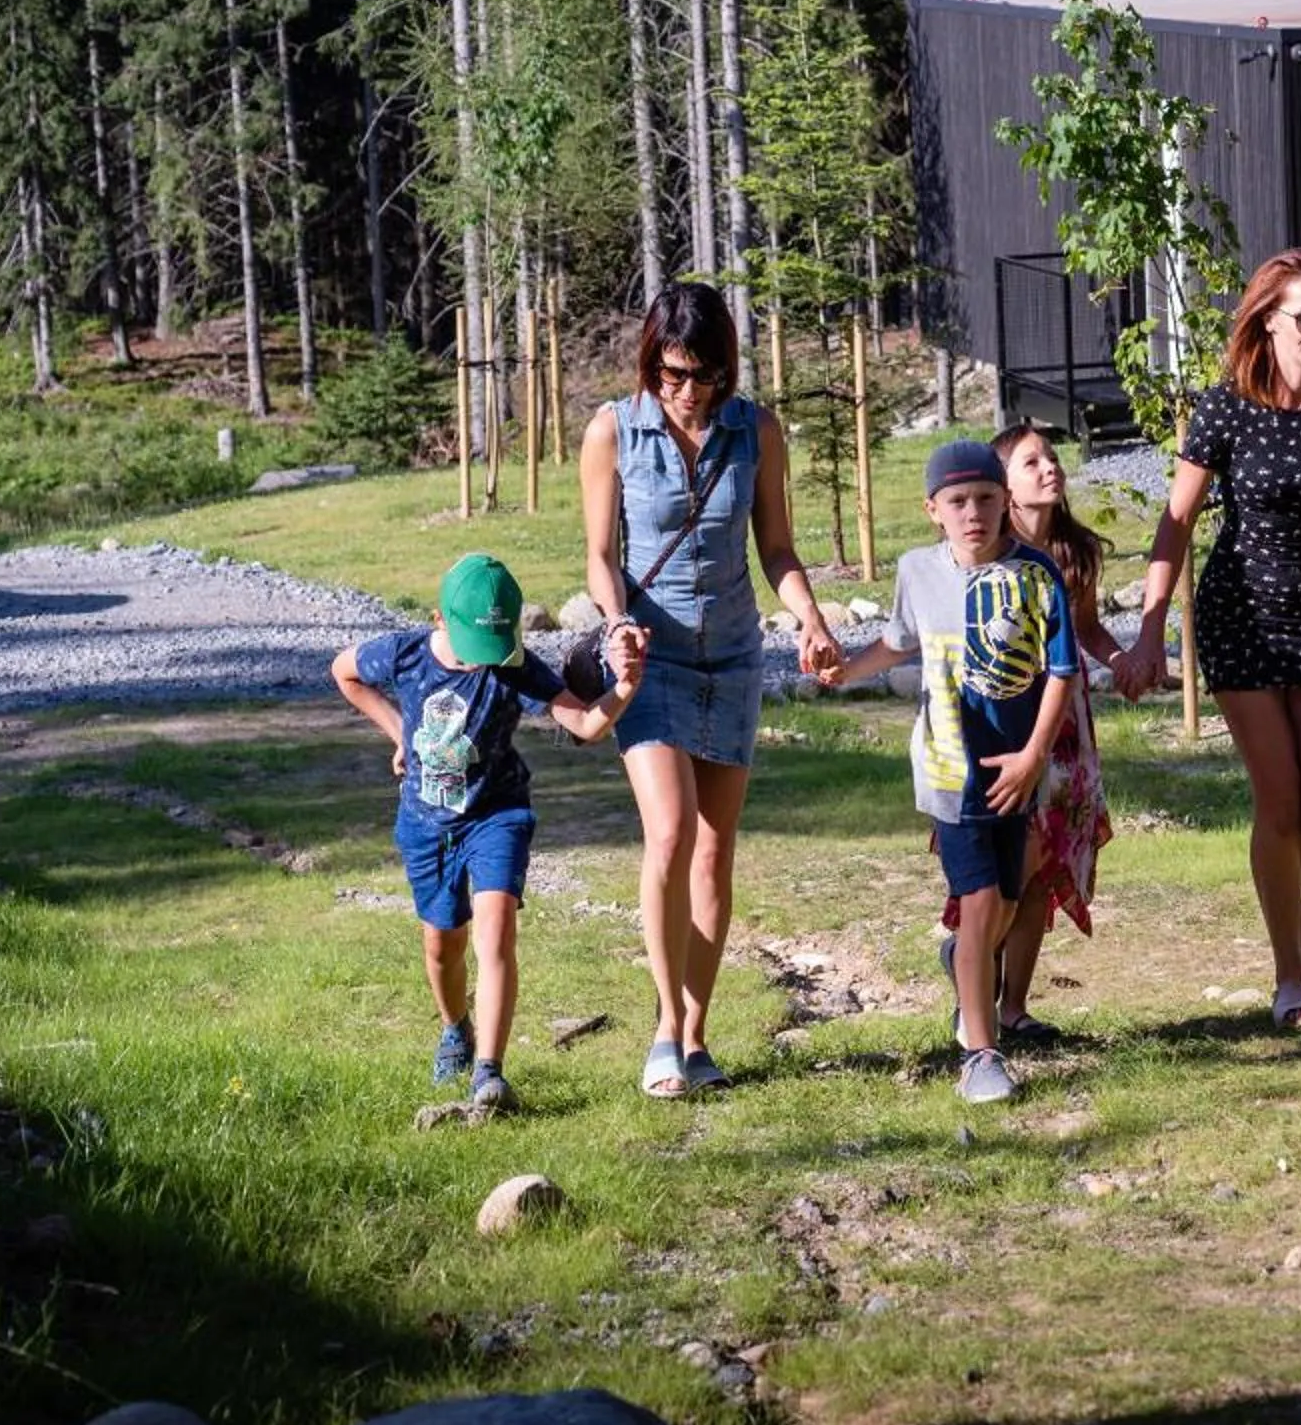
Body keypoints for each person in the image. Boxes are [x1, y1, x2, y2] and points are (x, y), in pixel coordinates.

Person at [1115, 247, 1301, 1030]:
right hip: (1242, 618)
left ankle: (1288, 896)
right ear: (1268, 318)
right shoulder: (1225, 407)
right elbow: (1175, 525)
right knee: (1280, 803)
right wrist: (1149, 632)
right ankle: (1288, 981)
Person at [578, 281, 841, 1100]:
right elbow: (597, 555)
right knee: (669, 838)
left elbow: (777, 549)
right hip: (648, 661)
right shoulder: (611, 431)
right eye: (673, 374)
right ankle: (662, 1028)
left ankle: (697, 1034)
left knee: (716, 848)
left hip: (732, 657)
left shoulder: (756, 430)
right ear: (651, 362)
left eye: (705, 376)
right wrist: (617, 620)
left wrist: (809, 618)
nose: (689, 392)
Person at [330, 553, 646, 1111]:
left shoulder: (512, 662)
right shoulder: (404, 653)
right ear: (438, 620)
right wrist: (399, 733)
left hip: (497, 814)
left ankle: (489, 1074)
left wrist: (623, 687)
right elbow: (344, 671)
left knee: (495, 931)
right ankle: (456, 1028)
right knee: (441, 945)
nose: (484, 663)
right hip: (426, 822)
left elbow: (583, 724)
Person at [820, 440, 1080, 1104]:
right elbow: (898, 641)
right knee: (982, 902)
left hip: (1017, 771)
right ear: (933, 509)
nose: (974, 514)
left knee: (1012, 897)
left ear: (1006, 503)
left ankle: (964, 967)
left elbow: (1061, 673)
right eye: (958, 502)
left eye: (987, 499)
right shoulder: (916, 570)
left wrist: (1033, 757)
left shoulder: (1038, 575)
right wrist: (846, 670)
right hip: (947, 770)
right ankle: (981, 1055)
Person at [932, 422, 1121, 1046]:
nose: (1050, 469)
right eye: (1031, 461)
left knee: (1044, 864)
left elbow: (1084, 633)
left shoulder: (1074, 552)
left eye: (1053, 459)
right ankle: (974, 981)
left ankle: (1012, 1007)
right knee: (1010, 861)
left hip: (1064, 730)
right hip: (1000, 728)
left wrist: (1122, 660)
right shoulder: (977, 556)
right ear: (1000, 486)